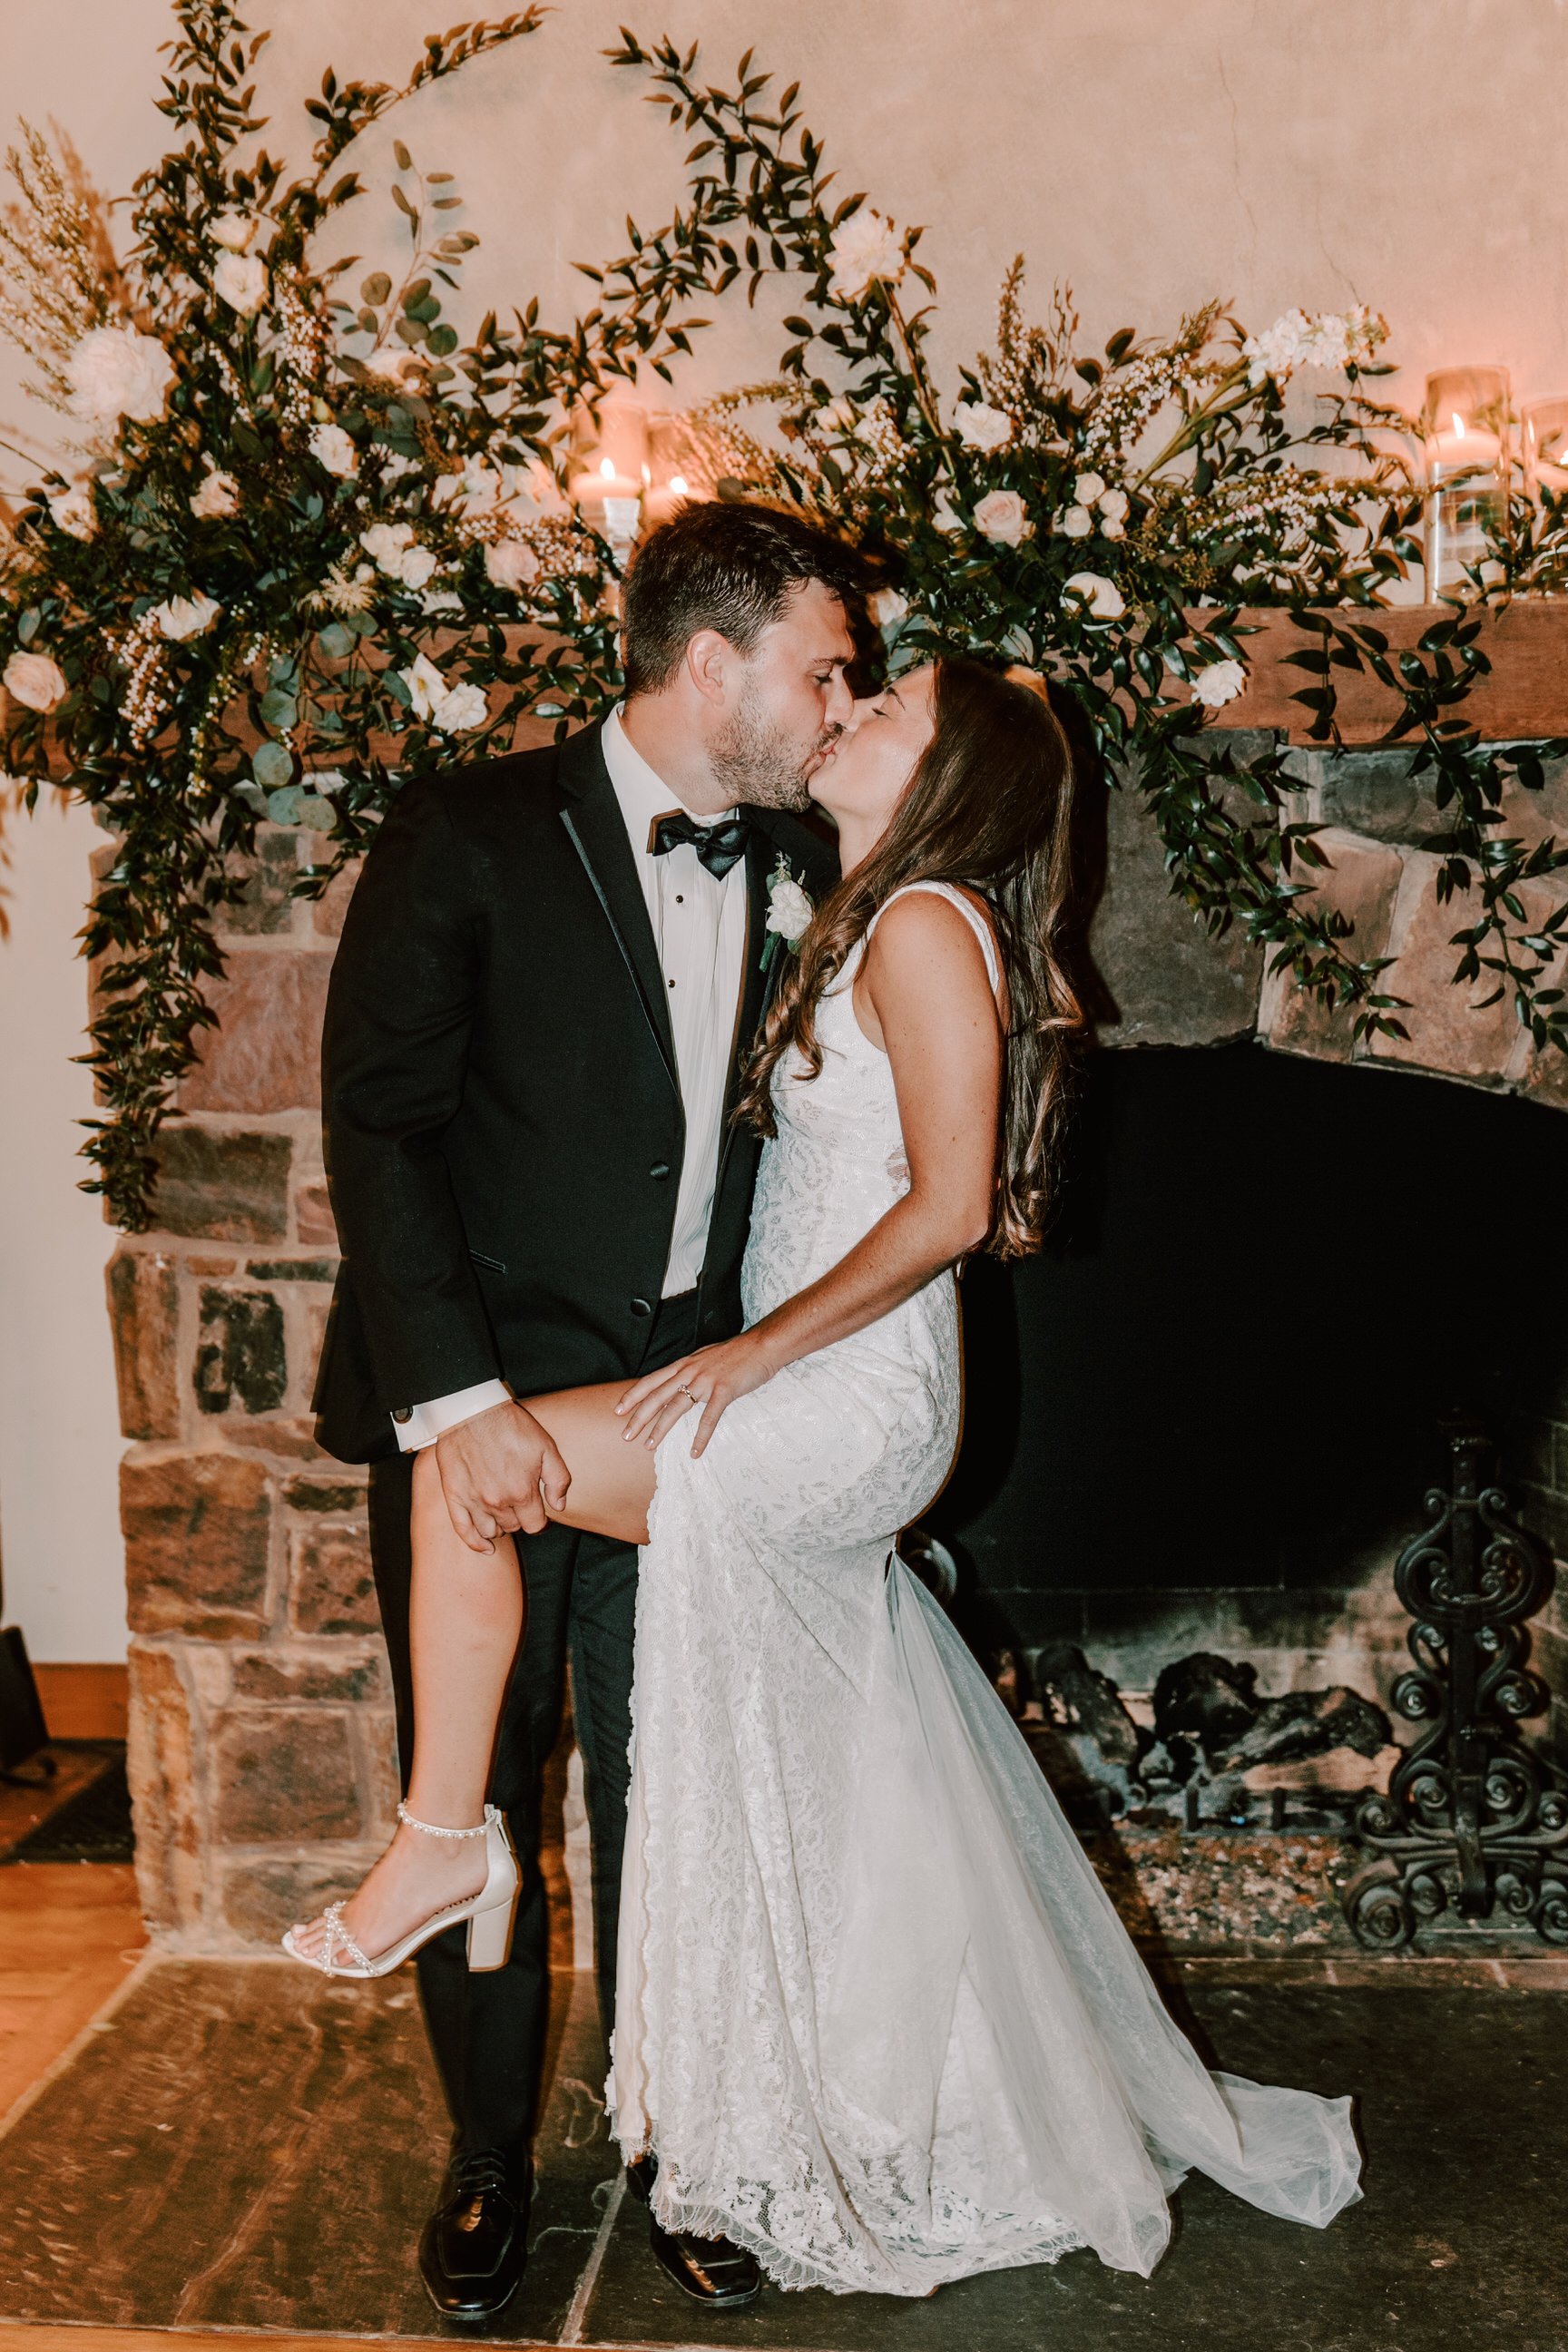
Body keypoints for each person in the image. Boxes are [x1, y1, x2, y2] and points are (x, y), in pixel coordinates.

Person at [298, 647, 1365, 2297]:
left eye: (891, 703)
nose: (853, 704)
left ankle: (457, 1855)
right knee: (705, 1734)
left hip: (822, 1392)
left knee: (483, 1488)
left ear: (954, 774)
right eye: (843, 679)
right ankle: (544, 2054)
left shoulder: (925, 920)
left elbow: (948, 1208)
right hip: (747, 1374)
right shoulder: (845, 894)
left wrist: (749, 1354)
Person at [304, 500, 856, 2318]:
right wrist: (459, 1402)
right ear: (713, 667)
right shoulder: (468, 832)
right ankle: (484, 2156)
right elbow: (378, 1121)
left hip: (686, 1421)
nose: (836, 695)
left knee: (669, 1792)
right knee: (470, 1794)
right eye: (820, 663)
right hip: (486, 1418)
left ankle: (681, 2149)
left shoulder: (811, 856)